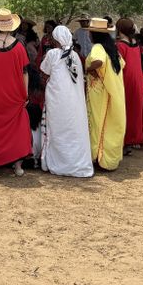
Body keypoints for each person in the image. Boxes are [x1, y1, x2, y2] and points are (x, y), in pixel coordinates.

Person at [0, 9, 32, 176]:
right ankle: (17, 167)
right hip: (15, 93)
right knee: (18, 128)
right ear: (11, 26)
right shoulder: (19, 47)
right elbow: (25, 73)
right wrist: (25, 95)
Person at [39, 25, 93, 177]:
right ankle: (75, 162)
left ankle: (58, 162)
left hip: (57, 100)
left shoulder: (53, 54)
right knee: (72, 129)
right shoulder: (75, 56)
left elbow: (44, 73)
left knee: (58, 129)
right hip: (74, 101)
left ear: (55, 39)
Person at [84, 19, 125, 170]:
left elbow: (98, 62)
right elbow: (122, 64)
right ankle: (108, 159)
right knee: (110, 122)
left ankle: (97, 156)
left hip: (99, 92)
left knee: (97, 122)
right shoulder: (112, 48)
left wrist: (88, 69)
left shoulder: (98, 48)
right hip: (112, 91)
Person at [116, 18, 143, 149]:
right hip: (138, 80)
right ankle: (135, 138)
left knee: (125, 110)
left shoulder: (121, 45)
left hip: (126, 80)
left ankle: (126, 139)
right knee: (136, 110)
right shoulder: (136, 44)